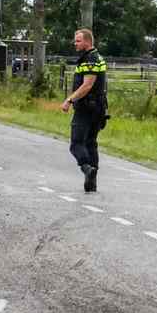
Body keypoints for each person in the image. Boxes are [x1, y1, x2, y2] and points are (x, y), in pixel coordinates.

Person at [61, 28, 108, 192]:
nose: (75, 43)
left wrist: (70, 99)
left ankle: (87, 169)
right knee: (90, 144)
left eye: (78, 40)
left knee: (76, 144)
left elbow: (87, 85)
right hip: (99, 108)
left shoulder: (90, 59)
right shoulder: (97, 57)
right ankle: (91, 183)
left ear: (87, 41)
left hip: (87, 107)